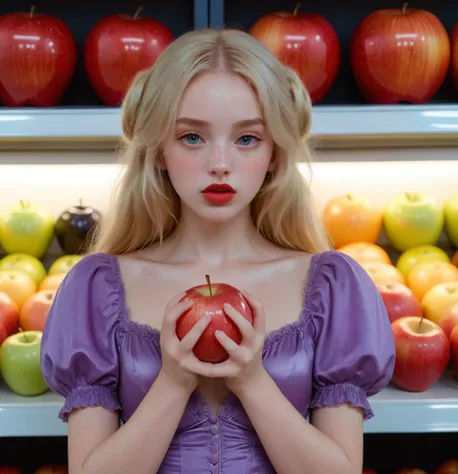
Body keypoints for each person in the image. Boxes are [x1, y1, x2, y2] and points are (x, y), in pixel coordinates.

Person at [40, 27, 395, 474]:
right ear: (159, 151)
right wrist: (171, 383)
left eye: (247, 138)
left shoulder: (333, 285)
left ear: (275, 155)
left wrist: (253, 382)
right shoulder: (93, 288)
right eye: (192, 137)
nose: (220, 163)